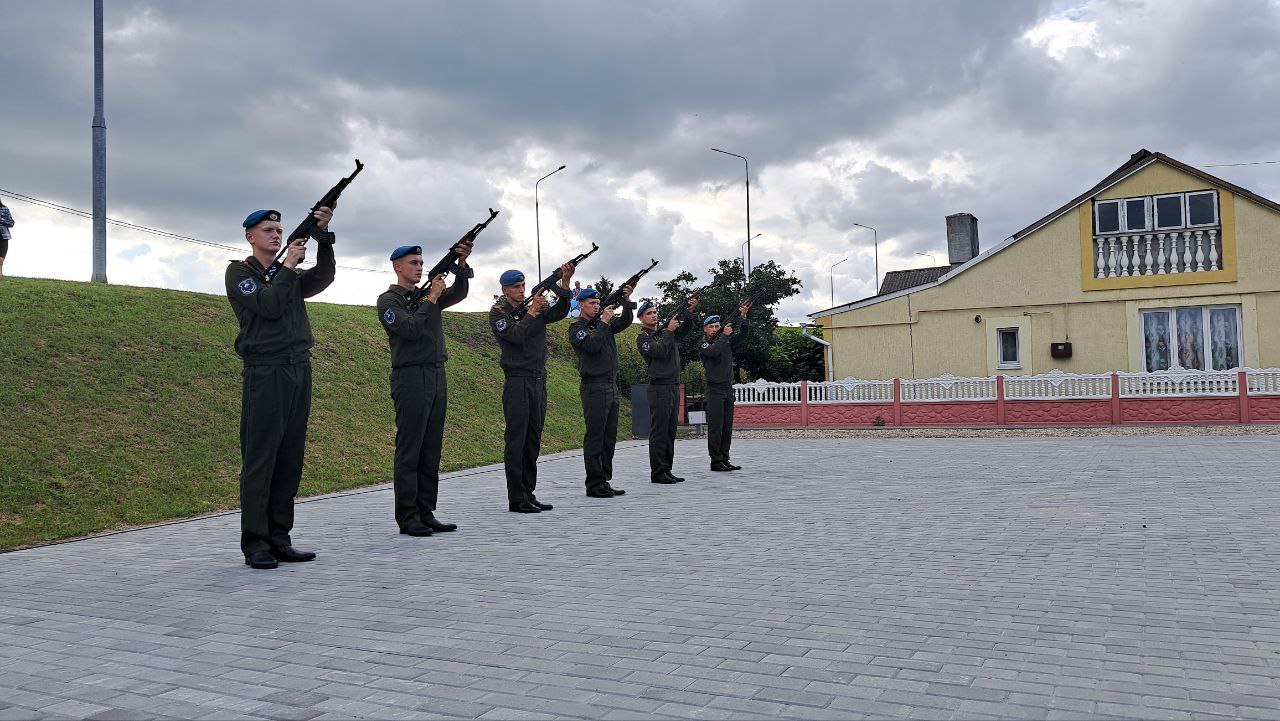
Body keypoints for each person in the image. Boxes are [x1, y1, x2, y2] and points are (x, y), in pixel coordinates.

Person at [225, 207, 335, 569]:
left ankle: (279, 538)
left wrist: (322, 237)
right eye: (268, 230)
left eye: (279, 230)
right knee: (261, 459)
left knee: (289, 458)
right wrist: (288, 266)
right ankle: (256, 542)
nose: (275, 234)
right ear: (250, 237)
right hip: (265, 372)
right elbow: (268, 306)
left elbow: (322, 278)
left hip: (298, 369)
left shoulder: (287, 275)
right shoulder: (240, 273)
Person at [377, 242, 472, 537]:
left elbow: (458, 293)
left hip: (435, 372)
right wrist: (431, 298)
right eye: (413, 263)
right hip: (410, 377)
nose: (419, 267)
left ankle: (426, 511)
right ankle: (408, 516)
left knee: (431, 447)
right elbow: (409, 330)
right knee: (411, 447)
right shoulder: (389, 301)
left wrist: (461, 266)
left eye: (421, 263)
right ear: (398, 267)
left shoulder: (426, 297)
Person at [490, 263, 576, 513]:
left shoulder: (533, 306)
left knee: (533, 439)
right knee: (516, 440)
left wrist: (565, 284)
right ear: (505, 289)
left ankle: (529, 492)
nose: (521, 290)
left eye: (523, 285)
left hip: (539, 378)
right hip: (517, 380)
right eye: (516, 286)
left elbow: (559, 312)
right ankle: (516, 498)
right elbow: (515, 337)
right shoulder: (498, 313)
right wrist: (531, 313)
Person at [568, 285, 635, 498]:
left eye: (598, 303)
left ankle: (604, 479)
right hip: (594, 386)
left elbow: (624, 322)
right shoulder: (577, 328)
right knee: (596, 435)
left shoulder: (601, 325)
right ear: (581, 305)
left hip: (610, 384)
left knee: (609, 435)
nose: (596, 306)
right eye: (592, 303)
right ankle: (593, 483)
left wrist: (625, 301)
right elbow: (592, 345)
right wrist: (604, 322)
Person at [636, 296, 699, 484]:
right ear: (641, 318)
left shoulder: (665, 333)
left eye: (655, 312)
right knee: (660, 431)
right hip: (659, 387)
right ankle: (658, 472)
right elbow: (660, 352)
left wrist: (690, 312)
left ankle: (667, 469)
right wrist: (669, 332)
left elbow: (686, 330)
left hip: (672, 385)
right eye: (649, 313)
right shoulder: (644, 339)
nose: (654, 316)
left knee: (671, 430)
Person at [699, 301, 751, 472]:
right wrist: (724, 336)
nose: (715, 328)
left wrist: (743, 318)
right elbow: (713, 352)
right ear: (705, 329)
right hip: (714, 389)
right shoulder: (704, 344)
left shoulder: (725, 341)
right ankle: (715, 461)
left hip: (727, 388)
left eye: (717, 325)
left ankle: (724, 457)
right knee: (716, 427)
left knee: (727, 426)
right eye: (711, 326)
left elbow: (743, 337)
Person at [0, 199, 13, 277]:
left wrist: (1, 220)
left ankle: (0, 273)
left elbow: (11, 223)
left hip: (3, 236)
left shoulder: (5, 209)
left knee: (1, 258)